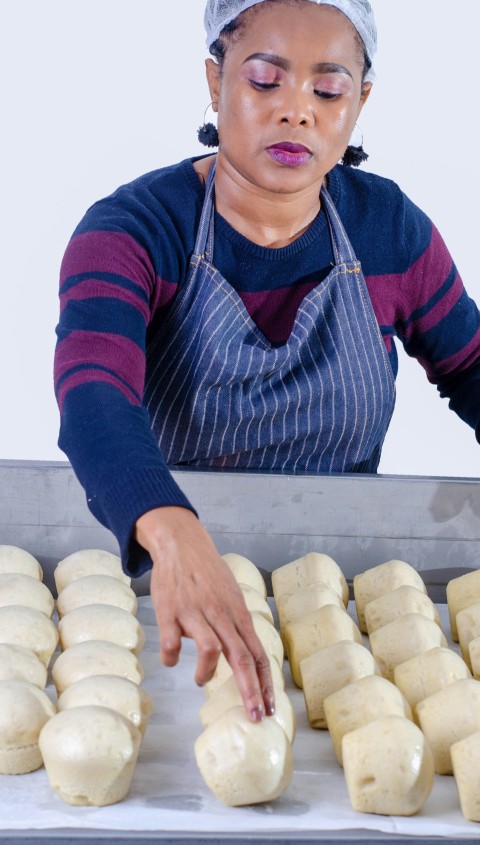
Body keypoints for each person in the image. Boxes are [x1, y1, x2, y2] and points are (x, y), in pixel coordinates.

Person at [54, 0, 480, 723]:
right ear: (214, 81)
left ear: (360, 102)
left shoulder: (388, 230)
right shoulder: (132, 231)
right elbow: (94, 394)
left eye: (328, 89)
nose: (297, 113)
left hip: (341, 602)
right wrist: (170, 531)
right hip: (168, 587)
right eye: (264, 80)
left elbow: (472, 368)